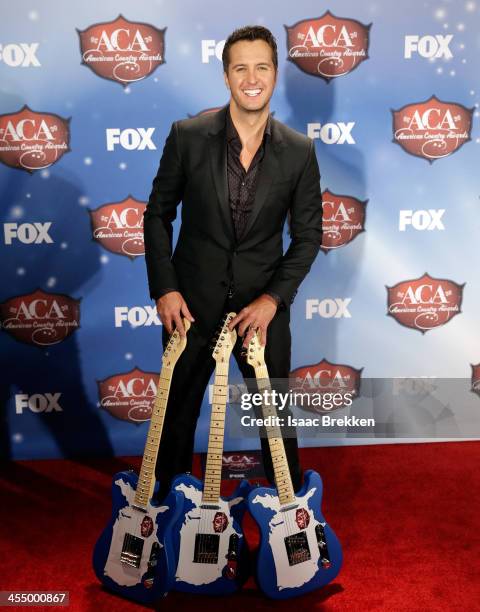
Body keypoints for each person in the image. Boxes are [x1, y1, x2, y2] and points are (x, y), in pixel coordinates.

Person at [143, 25, 323, 501]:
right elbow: (157, 215)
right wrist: (165, 288)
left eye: (261, 66)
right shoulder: (187, 136)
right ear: (226, 76)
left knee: (276, 424)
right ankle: (163, 517)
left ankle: (293, 523)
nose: (251, 77)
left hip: (260, 313)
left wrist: (272, 300)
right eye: (240, 67)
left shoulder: (300, 152)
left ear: (275, 73)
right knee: (176, 419)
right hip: (191, 307)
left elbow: (308, 238)